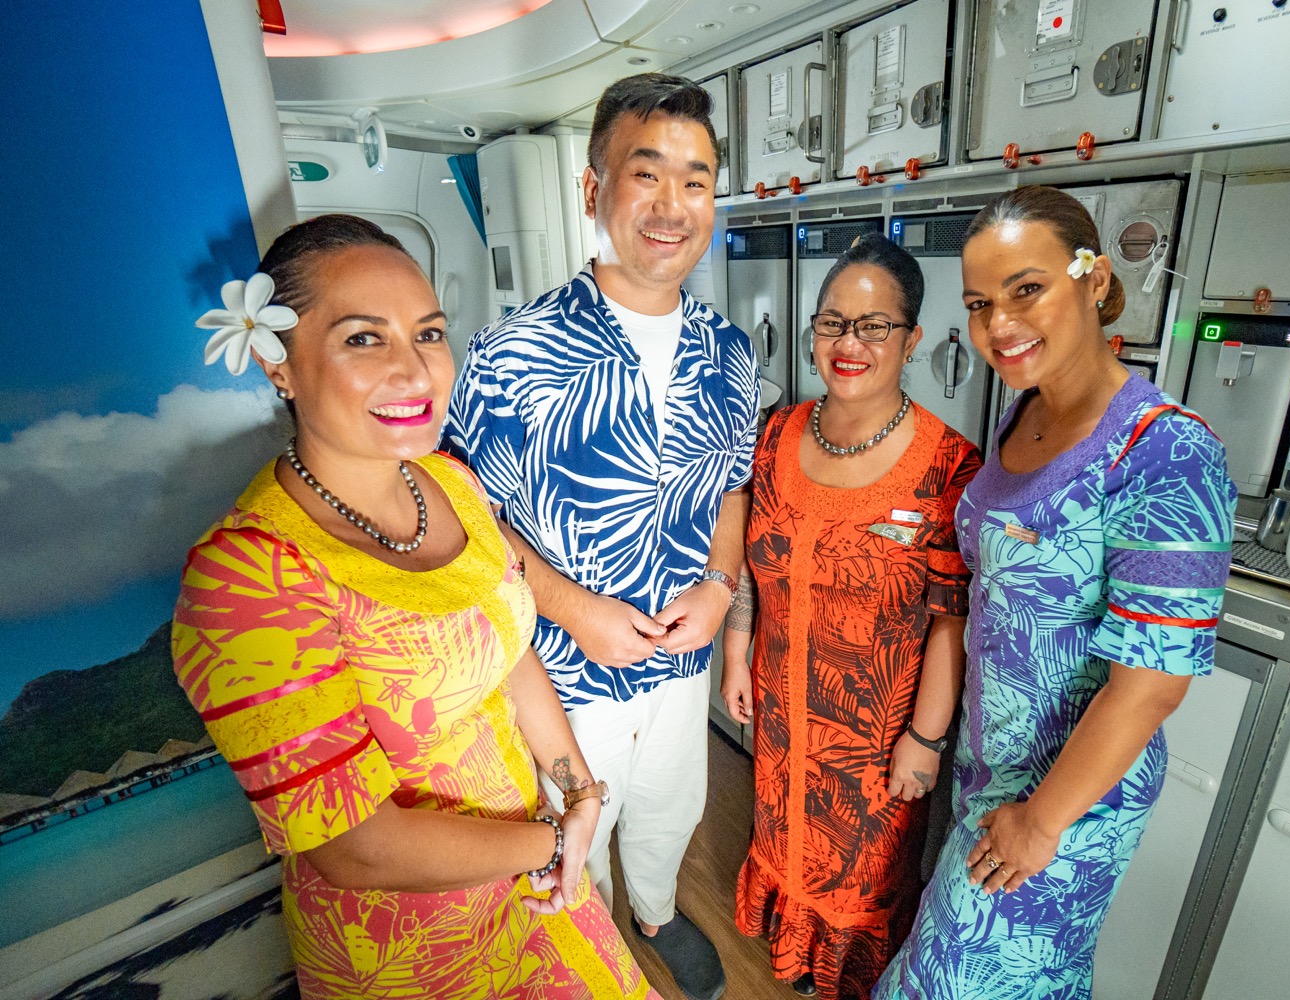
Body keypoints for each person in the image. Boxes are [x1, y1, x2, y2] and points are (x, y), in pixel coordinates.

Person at [174, 215, 658, 999]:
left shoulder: (449, 483)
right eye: (364, 339)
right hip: (408, 951)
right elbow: (356, 847)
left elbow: (508, 646)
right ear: (279, 365)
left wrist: (579, 793)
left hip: (537, 885)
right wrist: (551, 841)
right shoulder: (248, 577)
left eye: (428, 333)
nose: (417, 370)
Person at [875, 187, 1236, 999]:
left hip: (1067, 799)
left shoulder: (1165, 453)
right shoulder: (1023, 416)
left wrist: (1040, 825)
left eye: (1025, 289)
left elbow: (1148, 688)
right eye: (978, 304)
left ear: (1095, 279)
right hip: (988, 768)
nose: (999, 324)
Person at [443, 74, 758, 1000]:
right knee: (579, 827)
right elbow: (470, 526)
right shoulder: (515, 352)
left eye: (695, 180)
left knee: (671, 809)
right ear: (594, 191)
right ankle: (598, 952)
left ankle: (656, 913)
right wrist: (575, 610)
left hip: (681, 662)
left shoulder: (731, 352)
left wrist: (720, 584)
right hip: (563, 675)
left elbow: (732, 483)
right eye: (645, 173)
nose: (672, 205)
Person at [720, 235, 981, 1000]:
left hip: (876, 742)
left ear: (913, 339)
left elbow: (951, 620)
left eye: (874, 326)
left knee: (861, 882)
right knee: (785, 843)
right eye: (833, 323)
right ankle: (795, 967)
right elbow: (748, 562)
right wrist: (738, 655)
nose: (849, 344)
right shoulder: (775, 437)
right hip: (780, 714)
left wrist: (926, 741)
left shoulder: (947, 467)